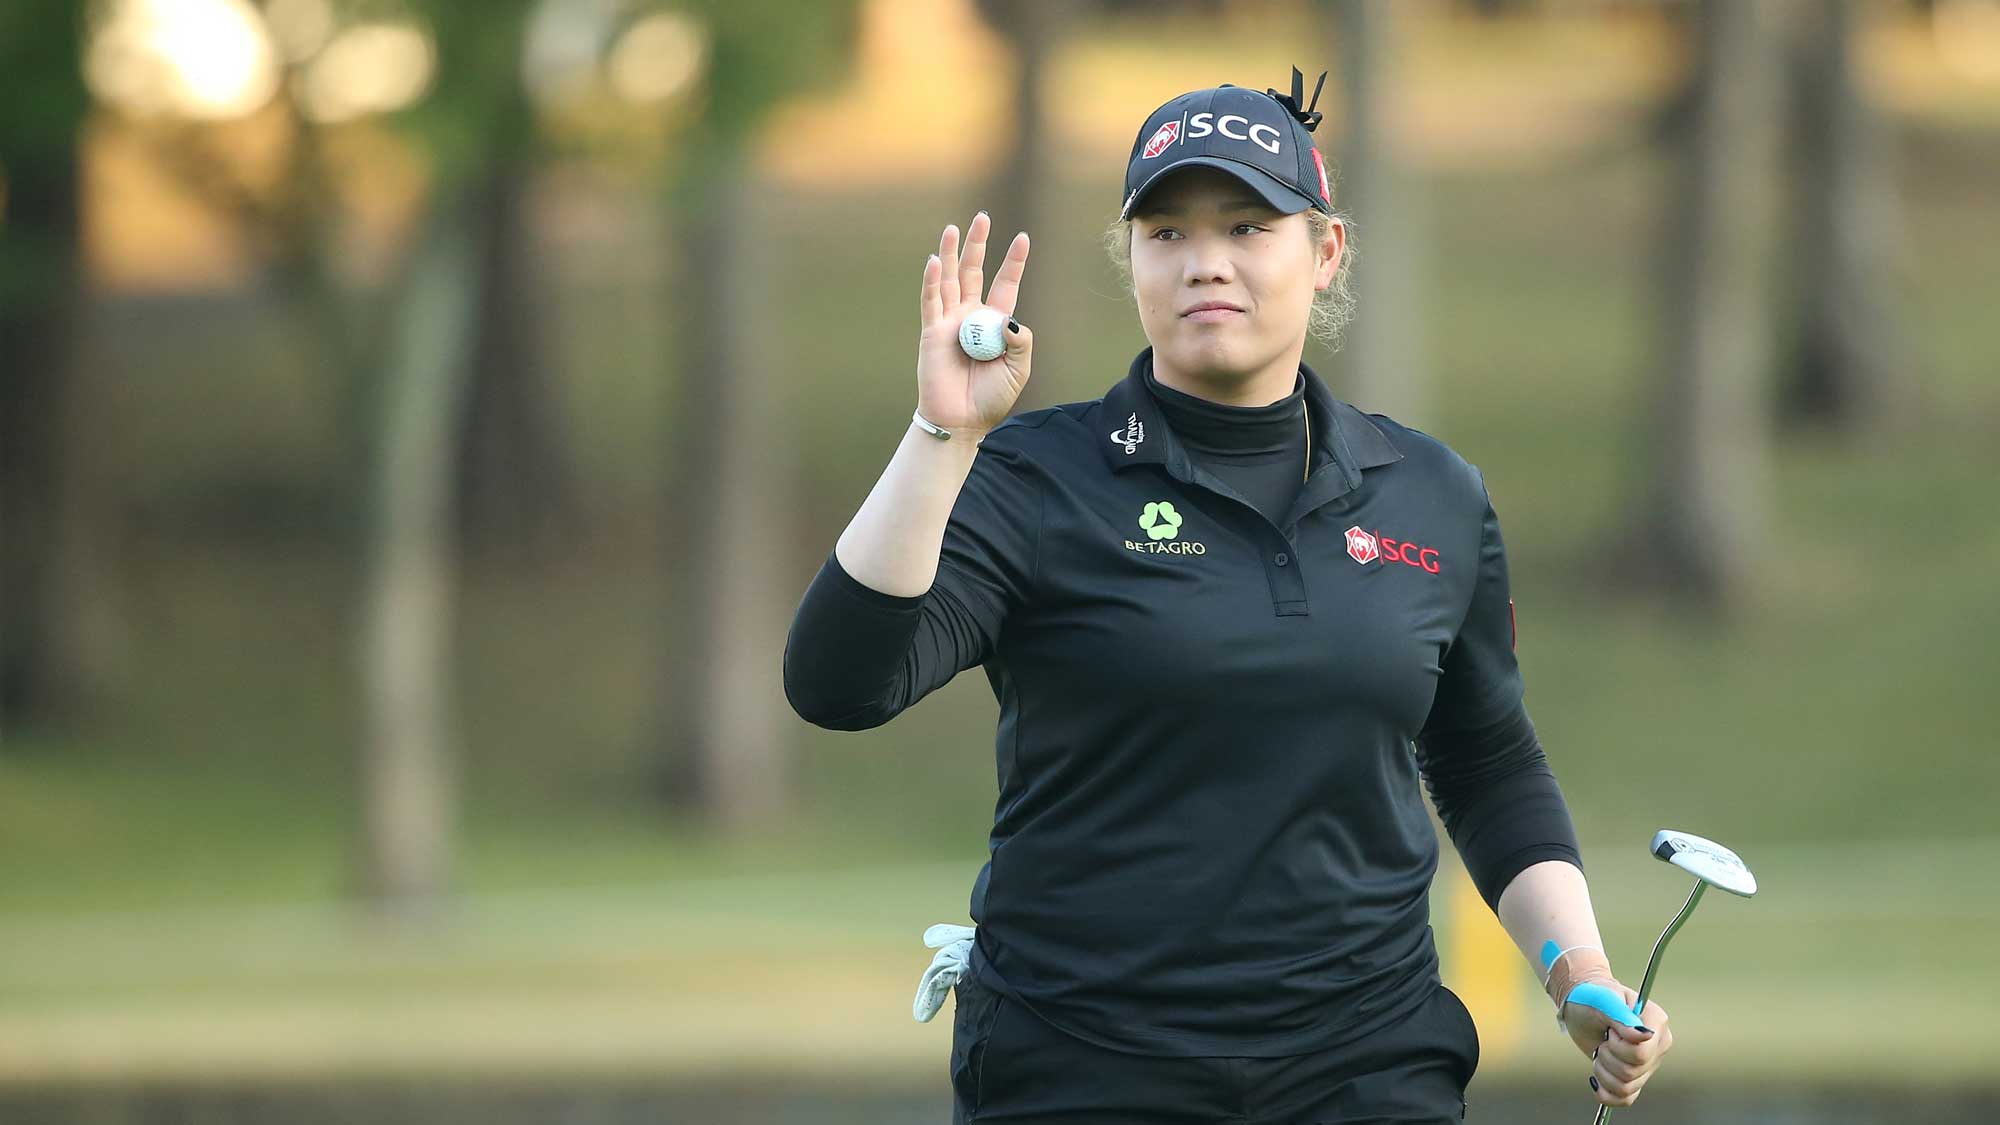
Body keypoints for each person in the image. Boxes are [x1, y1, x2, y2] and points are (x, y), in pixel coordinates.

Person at [784, 67, 1674, 1123]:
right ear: (1134, 262)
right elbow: (839, 683)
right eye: (1165, 234)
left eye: (1247, 226)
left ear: (1324, 250)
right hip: (1082, 1065)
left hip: (1364, 1066)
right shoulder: (1034, 477)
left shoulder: (1431, 495)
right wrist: (941, 434)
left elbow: (1485, 759)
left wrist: (1576, 974)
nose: (1204, 262)